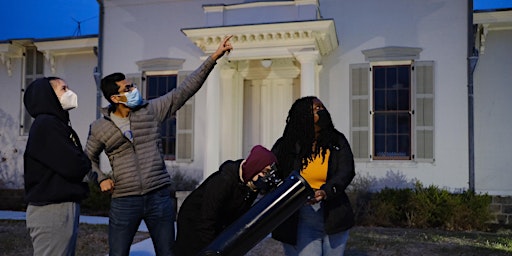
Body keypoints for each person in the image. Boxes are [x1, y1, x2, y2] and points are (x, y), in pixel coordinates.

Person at [85, 35, 233, 256]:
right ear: (115, 98)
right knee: (118, 253)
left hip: (159, 197)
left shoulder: (150, 111)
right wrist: (101, 178)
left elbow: (183, 90)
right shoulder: (99, 127)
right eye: (127, 88)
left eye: (132, 85)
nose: (134, 89)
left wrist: (213, 57)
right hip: (124, 201)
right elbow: (87, 158)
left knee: (167, 252)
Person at [271, 96, 356, 256]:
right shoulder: (286, 145)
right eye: (315, 109)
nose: (321, 110)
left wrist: (326, 191)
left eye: (321, 107)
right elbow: (274, 173)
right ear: (303, 116)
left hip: (334, 212)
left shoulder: (336, 140)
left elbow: (346, 170)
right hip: (301, 213)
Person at [23, 77, 91, 256]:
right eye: (64, 88)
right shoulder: (47, 125)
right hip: (52, 209)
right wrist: (84, 161)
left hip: (58, 207)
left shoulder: (56, 124)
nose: (70, 93)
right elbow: (75, 165)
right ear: (48, 96)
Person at [174, 145, 278, 256]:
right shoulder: (223, 181)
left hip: (216, 222)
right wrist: (212, 250)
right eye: (264, 172)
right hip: (194, 222)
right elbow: (207, 220)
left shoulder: (251, 184)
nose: (265, 178)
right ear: (254, 167)